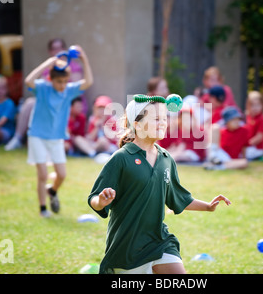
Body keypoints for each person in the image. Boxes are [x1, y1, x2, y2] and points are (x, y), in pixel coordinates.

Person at [88, 95, 231, 274]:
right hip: (127, 247)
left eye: (164, 118)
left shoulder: (166, 159)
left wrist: (208, 207)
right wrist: (101, 201)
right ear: (137, 124)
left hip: (159, 240)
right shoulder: (121, 158)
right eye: (156, 119)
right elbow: (94, 197)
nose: (163, 123)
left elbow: (178, 198)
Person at [25, 45, 93, 218]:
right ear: (51, 79)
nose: (62, 85)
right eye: (58, 82)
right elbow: (28, 80)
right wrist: (48, 63)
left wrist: (84, 58)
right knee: (43, 174)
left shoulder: (68, 92)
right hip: (38, 136)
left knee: (61, 174)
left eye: (65, 82)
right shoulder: (43, 88)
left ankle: (52, 191)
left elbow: (88, 82)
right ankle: (42, 209)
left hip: (56, 138)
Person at [4, 38, 86, 151]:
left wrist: (84, 58)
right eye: (53, 49)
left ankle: (63, 145)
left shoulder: (73, 69)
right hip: (48, 106)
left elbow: (78, 87)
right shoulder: (48, 69)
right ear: (50, 52)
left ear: (64, 49)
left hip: (66, 105)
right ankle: (17, 138)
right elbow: (40, 88)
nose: (57, 51)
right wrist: (48, 64)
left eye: (59, 48)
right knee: (29, 103)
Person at [204, 106, 249, 170]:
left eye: (237, 119)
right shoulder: (222, 131)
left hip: (230, 159)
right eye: (233, 120)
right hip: (219, 154)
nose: (236, 121)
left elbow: (245, 146)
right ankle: (212, 158)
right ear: (227, 122)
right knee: (214, 127)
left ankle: (216, 167)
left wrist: (244, 157)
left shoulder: (243, 131)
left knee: (244, 162)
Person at [244, 91, 263, 161]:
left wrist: (247, 144)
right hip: (249, 146)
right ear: (248, 106)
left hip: (257, 148)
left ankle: (257, 157)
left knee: (242, 153)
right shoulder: (248, 117)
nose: (255, 108)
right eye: (252, 105)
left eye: (257, 105)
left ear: (262, 106)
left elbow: (259, 137)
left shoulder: (261, 119)